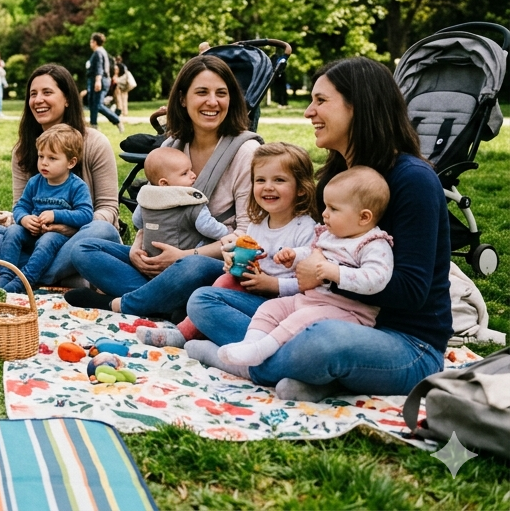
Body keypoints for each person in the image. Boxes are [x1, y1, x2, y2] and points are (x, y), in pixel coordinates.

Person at [187, 58, 451, 401]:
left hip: (403, 342)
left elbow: (412, 291)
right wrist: (258, 258)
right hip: (316, 310)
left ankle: (245, 364)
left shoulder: (413, 180)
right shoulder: (337, 177)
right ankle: (314, 376)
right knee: (205, 301)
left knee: (323, 341)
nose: (309, 112)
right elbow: (308, 249)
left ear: (359, 106)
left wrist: (325, 276)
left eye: (321, 100)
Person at [65, 55, 260, 318]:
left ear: (231, 99)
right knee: (84, 249)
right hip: (159, 258)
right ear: (182, 99)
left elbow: (247, 236)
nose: (212, 102)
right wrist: (137, 249)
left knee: (192, 268)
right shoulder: (171, 147)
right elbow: (150, 211)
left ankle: (125, 303)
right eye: (201, 92)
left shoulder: (246, 152)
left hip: (209, 263)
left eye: (221, 93)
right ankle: (168, 303)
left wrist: (184, 255)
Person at [139, 142, 318, 348]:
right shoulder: (257, 224)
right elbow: (250, 254)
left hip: (282, 306)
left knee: (202, 300)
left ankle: (211, 337)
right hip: (252, 295)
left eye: (279, 180)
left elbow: (312, 286)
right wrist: (233, 259)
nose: (268, 186)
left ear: (301, 189)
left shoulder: (306, 229)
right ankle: (186, 333)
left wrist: (273, 285)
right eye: (260, 180)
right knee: (218, 285)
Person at [212, 166, 393, 369]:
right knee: (270, 308)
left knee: (300, 319)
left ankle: (262, 350)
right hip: (309, 300)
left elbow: (377, 279)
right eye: (326, 207)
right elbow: (312, 253)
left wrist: (333, 272)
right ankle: (249, 345)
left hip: (348, 312)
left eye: (333, 209)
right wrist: (295, 255)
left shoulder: (373, 244)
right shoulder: (330, 235)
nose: (324, 214)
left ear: (364, 217)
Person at [0, 65, 122, 285]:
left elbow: (108, 209)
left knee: (102, 230)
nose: (38, 99)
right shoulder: (24, 150)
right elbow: (19, 207)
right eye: (33, 94)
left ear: (67, 99)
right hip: (36, 237)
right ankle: (66, 275)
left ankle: (28, 275)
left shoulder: (95, 143)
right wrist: (29, 221)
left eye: (47, 92)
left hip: (81, 235)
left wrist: (69, 226)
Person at [0, 124, 93, 294]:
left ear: (71, 162)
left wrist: (56, 215)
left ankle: (24, 281)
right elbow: (21, 206)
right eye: (41, 156)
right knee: (13, 231)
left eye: (52, 158)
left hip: (58, 238)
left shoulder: (76, 186)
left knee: (47, 240)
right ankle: (6, 274)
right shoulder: (35, 182)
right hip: (32, 233)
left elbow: (85, 215)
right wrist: (24, 219)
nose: (44, 162)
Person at [85, 34, 122, 132]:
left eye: (91, 41)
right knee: (93, 104)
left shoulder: (98, 52)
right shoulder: (103, 52)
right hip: (101, 80)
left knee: (98, 105)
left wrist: (98, 81)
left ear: (94, 42)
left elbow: (99, 68)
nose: (90, 43)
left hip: (99, 81)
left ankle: (116, 120)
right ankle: (93, 126)